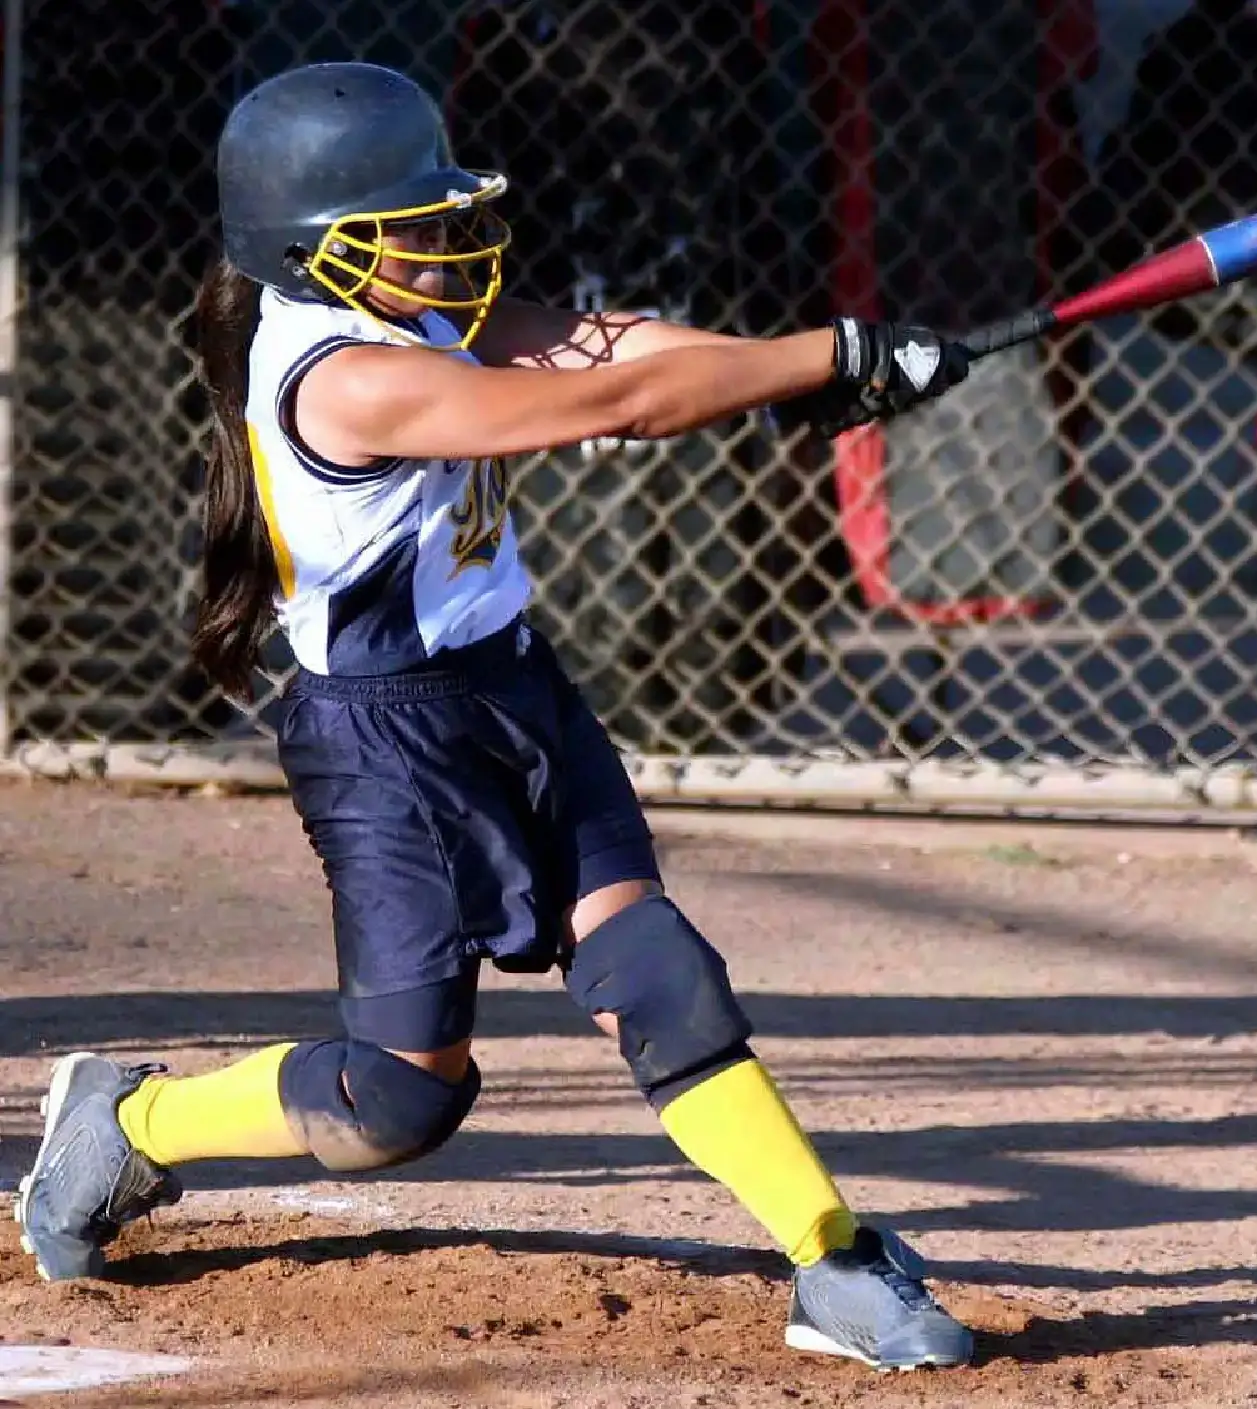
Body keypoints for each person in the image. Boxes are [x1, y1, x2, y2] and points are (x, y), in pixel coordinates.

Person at [9, 60, 976, 1373]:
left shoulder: (421, 320)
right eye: (402, 229)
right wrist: (815, 363)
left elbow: (612, 345)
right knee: (404, 1095)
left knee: (654, 970)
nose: (442, 245)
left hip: (514, 686)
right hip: (387, 743)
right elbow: (608, 402)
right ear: (314, 253)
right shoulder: (346, 377)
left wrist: (807, 370)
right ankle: (134, 1125)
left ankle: (834, 1259)